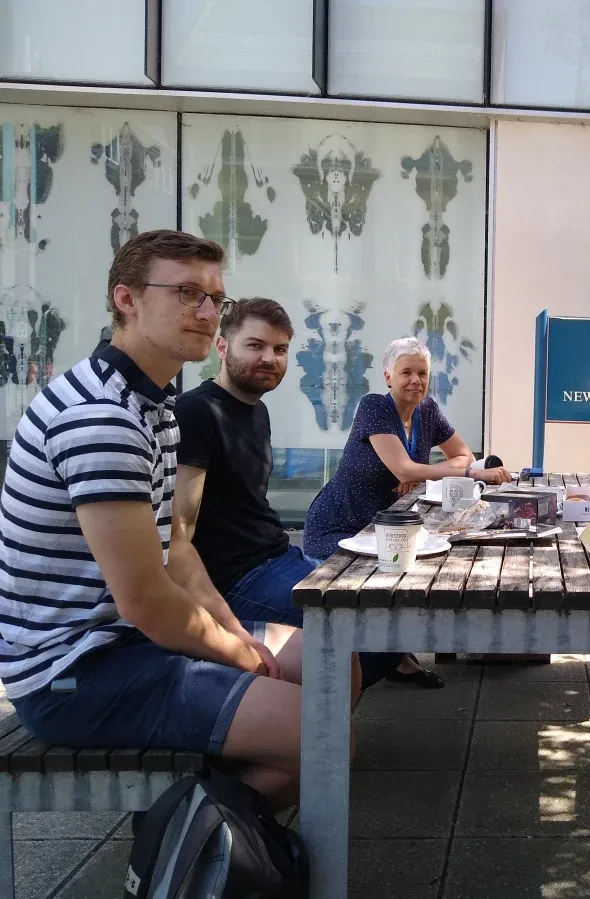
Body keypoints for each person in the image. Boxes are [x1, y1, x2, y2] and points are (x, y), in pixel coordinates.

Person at [0, 231, 356, 812]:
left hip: (126, 640)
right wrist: (240, 658)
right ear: (127, 299)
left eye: (216, 297)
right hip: (72, 670)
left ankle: (213, 832)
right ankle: (183, 856)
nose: (208, 312)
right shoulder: (102, 418)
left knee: (330, 660)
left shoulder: (157, 407)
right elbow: (144, 601)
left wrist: (235, 632)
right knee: (322, 731)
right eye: (188, 292)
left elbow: (178, 550)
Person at [172, 298, 427, 689]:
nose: (269, 358)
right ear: (222, 347)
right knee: (356, 628)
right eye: (255, 345)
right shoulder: (195, 413)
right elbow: (179, 536)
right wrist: (219, 624)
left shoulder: (257, 411)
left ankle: (316, 719)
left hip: (278, 556)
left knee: (387, 613)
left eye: (279, 349)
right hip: (237, 578)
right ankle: (306, 728)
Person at [303, 336, 510, 563]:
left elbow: (464, 456)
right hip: (342, 530)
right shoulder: (373, 406)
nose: (416, 380)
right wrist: (468, 474)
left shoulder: (428, 410)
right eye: (406, 372)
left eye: (422, 373)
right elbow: (404, 470)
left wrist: (421, 475)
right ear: (388, 377)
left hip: (388, 533)